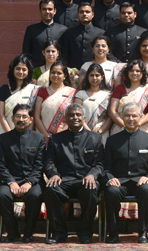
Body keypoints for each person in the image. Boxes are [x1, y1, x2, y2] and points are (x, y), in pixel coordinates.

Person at [43, 103, 103, 244]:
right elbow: (49, 162)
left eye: (78, 115)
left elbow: (99, 164)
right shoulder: (56, 139)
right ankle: (59, 233)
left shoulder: (95, 138)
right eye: (71, 115)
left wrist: (92, 175)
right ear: (66, 118)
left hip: (85, 180)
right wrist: (54, 174)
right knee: (51, 190)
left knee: (91, 190)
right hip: (64, 180)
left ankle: (85, 232)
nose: (75, 117)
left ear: (84, 118)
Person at [103, 103, 148, 244]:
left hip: (141, 182)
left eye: (134, 115)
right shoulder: (112, 140)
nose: (131, 119)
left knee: (146, 189)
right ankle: (113, 232)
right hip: (119, 182)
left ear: (140, 117)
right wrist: (110, 179)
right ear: (122, 117)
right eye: (127, 116)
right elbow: (106, 167)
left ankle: (143, 232)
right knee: (111, 191)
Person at [0, 103, 45, 243]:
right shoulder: (3, 139)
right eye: (18, 116)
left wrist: (30, 182)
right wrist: (11, 182)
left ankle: (28, 233)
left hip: (32, 181)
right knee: (1, 195)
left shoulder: (38, 138)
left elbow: (40, 165)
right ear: (12, 118)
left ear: (31, 119)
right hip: (10, 180)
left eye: (24, 116)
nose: (21, 119)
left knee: (36, 195)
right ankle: (12, 232)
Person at [108, 59, 148, 135]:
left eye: (138, 71)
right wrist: (124, 125)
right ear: (127, 73)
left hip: (141, 129)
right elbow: (112, 111)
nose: (134, 73)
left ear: (143, 73)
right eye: (131, 71)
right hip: (120, 128)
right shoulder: (120, 88)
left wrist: (138, 124)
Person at [33, 61, 76, 142]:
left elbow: (73, 116)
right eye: (53, 73)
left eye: (59, 73)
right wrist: (45, 135)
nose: (55, 75)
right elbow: (37, 116)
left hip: (64, 135)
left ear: (65, 76)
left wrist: (62, 132)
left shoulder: (72, 92)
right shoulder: (42, 92)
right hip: (43, 136)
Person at [0, 54, 39, 135]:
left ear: (28, 71)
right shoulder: (4, 89)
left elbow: (33, 115)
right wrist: (10, 135)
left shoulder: (34, 90)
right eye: (18, 69)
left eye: (24, 69)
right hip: (5, 135)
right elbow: (0, 115)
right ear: (13, 70)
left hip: (26, 136)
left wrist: (28, 135)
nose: (20, 72)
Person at [22, 0, 68, 67]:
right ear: (40, 11)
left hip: (58, 71)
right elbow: (26, 53)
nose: (47, 11)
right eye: (44, 9)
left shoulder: (63, 29)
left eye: (50, 9)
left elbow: (66, 52)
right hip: (37, 71)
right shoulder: (31, 30)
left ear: (55, 11)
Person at [74, 63, 112, 143]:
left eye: (97, 75)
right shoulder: (80, 94)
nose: (94, 78)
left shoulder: (108, 95)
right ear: (87, 77)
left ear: (102, 77)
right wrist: (88, 132)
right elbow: (77, 115)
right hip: (82, 132)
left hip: (101, 133)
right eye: (91, 75)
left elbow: (110, 117)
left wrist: (100, 132)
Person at [61, 2, 105, 69]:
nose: (84, 14)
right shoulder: (69, 33)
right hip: (74, 72)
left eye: (87, 12)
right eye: (81, 12)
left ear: (92, 14)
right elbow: (65, 56)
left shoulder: (101, 33)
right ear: (78, 14)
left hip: (95, 72)